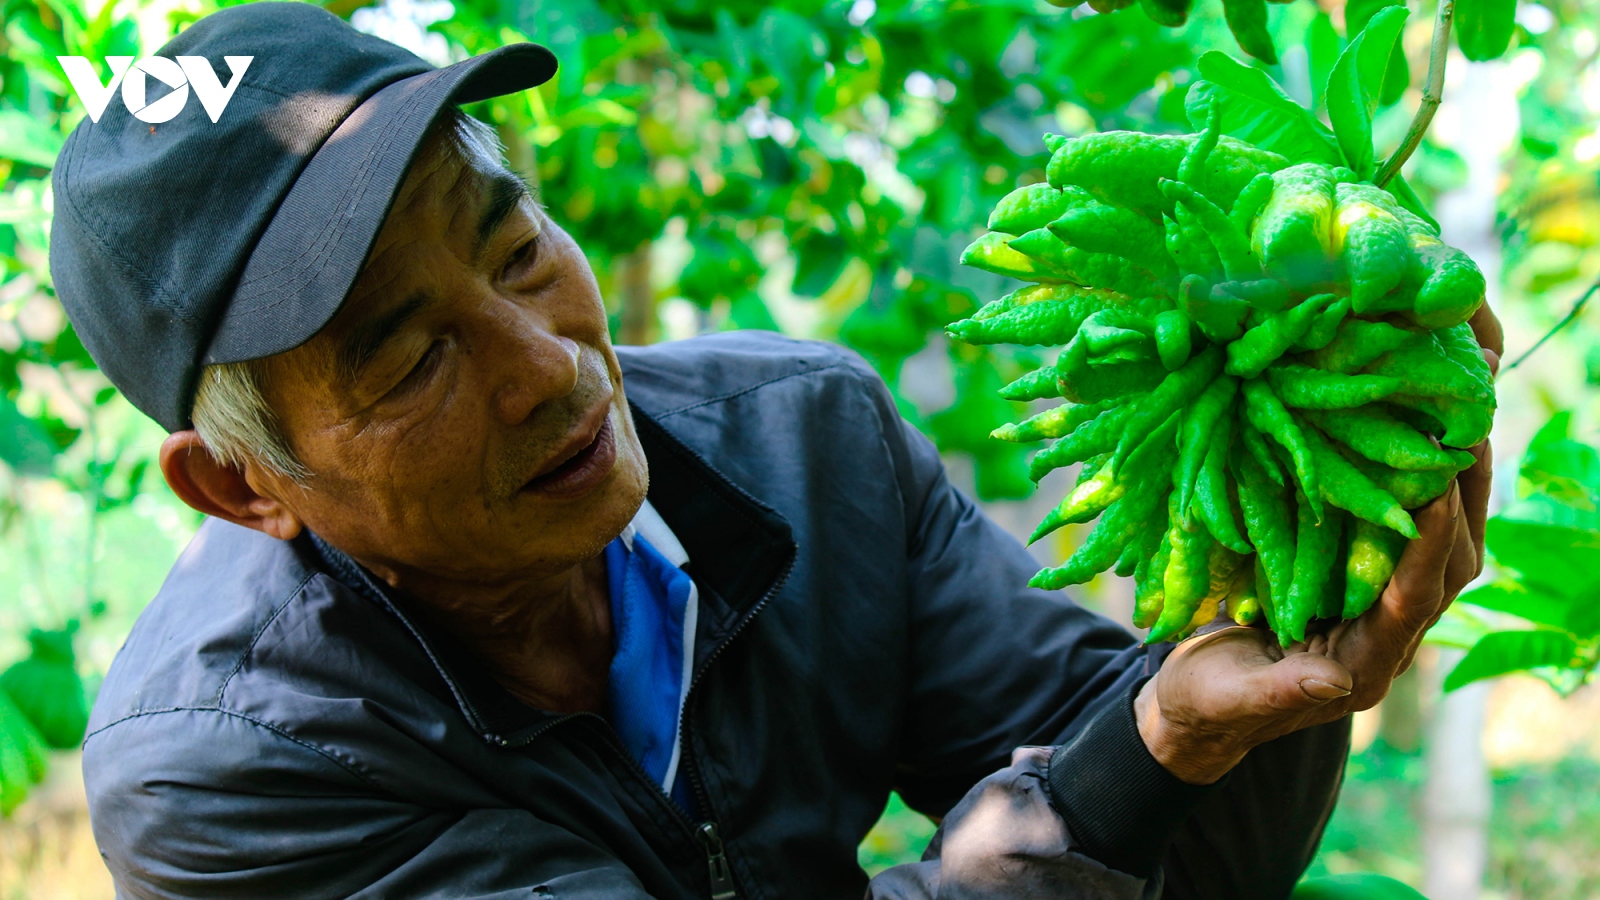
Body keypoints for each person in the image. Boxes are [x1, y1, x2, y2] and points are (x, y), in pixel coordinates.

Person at [53, 5, 1496, 898]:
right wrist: (1150, 746)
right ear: (244, 485)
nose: (546, 366)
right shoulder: (225, 777)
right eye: (413, 357)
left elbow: (1181, 851)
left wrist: (1270, 630)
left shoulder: (806, 444)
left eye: (515, 248)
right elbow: (1120, 779)